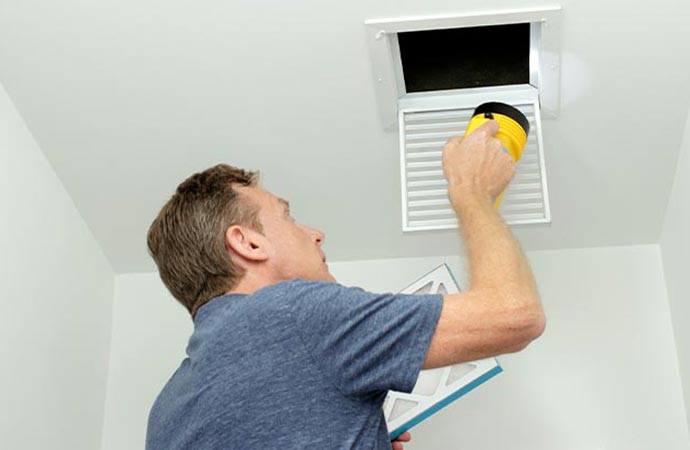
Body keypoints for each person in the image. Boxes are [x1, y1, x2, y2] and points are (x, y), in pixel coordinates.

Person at [145, 120, 545, 450]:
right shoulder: (291, 314)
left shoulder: (165, 411)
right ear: (247, 243)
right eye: (288, 217)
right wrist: (471, 191)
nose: (315, 234)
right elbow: (515, 314)